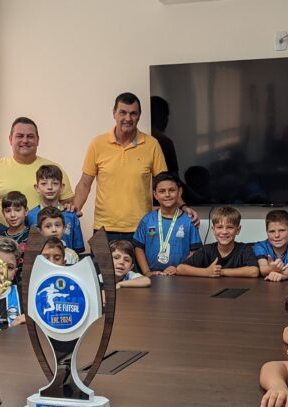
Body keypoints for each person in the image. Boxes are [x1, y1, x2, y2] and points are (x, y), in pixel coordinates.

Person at [73, 92, 169, 241]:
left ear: (139, 116)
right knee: (101, 266)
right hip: (103, 229)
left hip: (142, 227)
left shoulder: (152, 144)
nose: (128, 118)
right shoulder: (97, 143)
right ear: (114, 113)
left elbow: (165, 184)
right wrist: (74, 210)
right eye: (123, 112)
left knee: (140, 266)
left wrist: (182, 209)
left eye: (133, 114)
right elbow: (85, 184)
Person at [0, 117, 74, 211]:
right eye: (20, 136)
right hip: (1, 227)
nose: (25, 140)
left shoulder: (54, 169)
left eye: (30, 136)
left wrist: (70, 208)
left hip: (45, 226)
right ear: (10, 139)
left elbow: (67, 205)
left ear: (38, 140)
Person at [132, 172, 201, 276]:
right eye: (162, 191)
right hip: (153, 276)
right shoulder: (147, 220)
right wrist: (147, 272)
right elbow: (139, 247)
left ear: (180, 192)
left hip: (180, 276)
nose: (167, 194)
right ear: (155, 195)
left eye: (172, 190)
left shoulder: (189, 221)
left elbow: (195, 251)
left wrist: (178, 269)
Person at [175, 207, 259, 278]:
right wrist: (206, 272)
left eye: (229, 227)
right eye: (219, 227)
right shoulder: (206, 250)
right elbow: (180, 268)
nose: (224, 231)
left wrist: (221, 272)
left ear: (238, 230)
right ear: (213, 230)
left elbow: (254, 271)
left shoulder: (244, 249)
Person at [26, 165, 86, 253]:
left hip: (67, 264)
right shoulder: (30, 216)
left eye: (55, 183)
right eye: (44, 183)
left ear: (61, 187)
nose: (50, 187)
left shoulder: (71, 215)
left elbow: (78, 250)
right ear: (37, 187)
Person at [253, 209, 288, 282]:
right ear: (266, 232)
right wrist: (272, 269)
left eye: (282, 230)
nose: (277, 235)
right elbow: (263, 269)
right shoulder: (260, 246)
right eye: (272, 231)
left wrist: (282, 274)